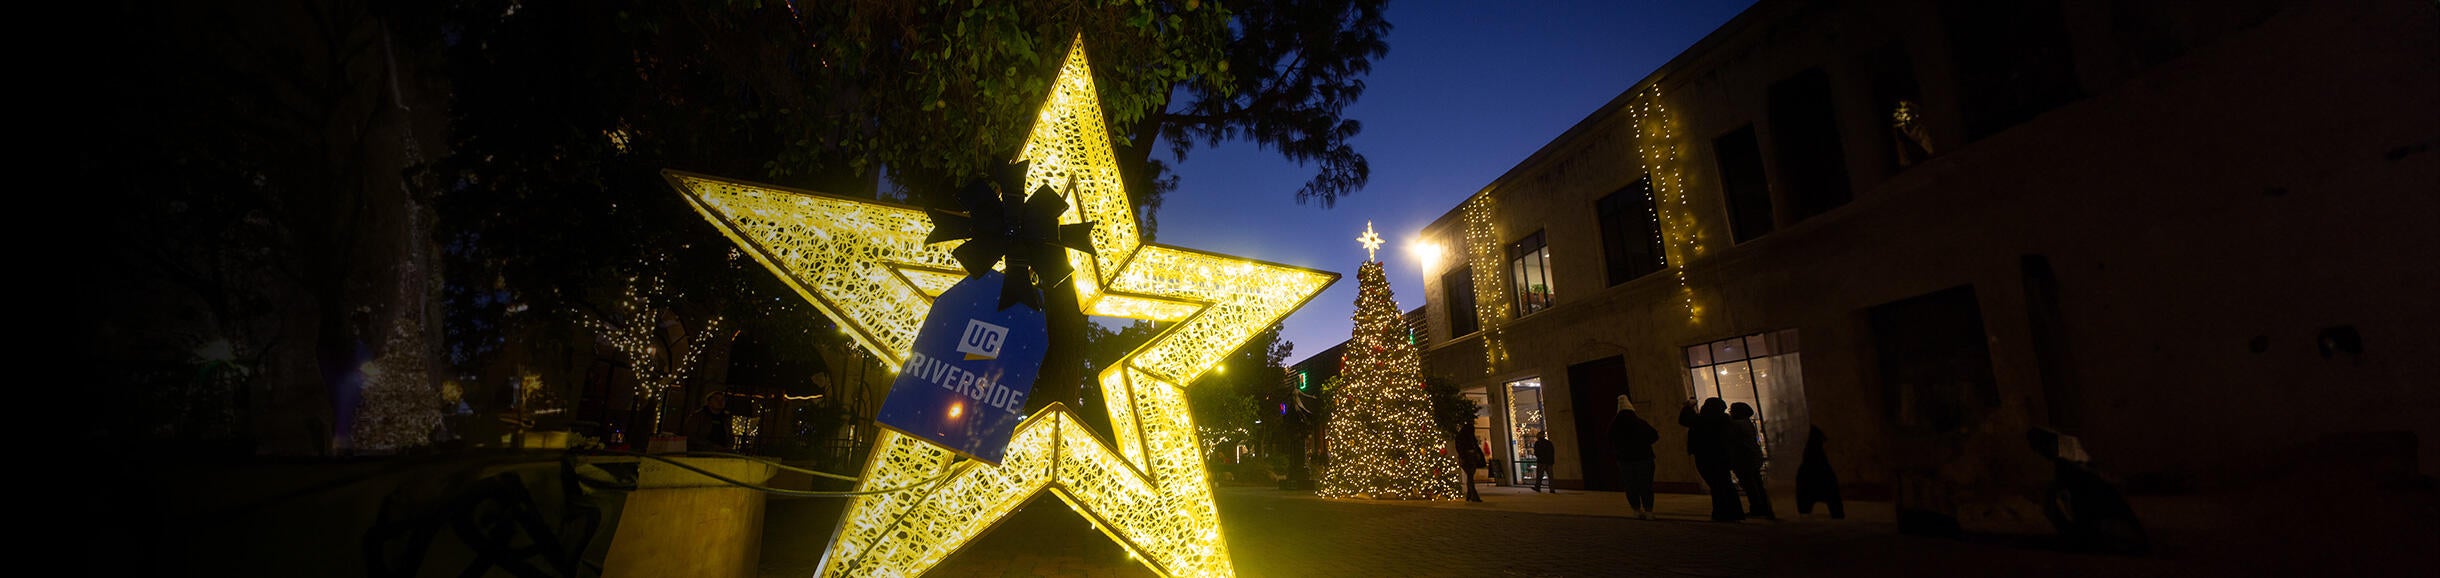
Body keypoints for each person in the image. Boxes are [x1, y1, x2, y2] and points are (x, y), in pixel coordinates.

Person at [1680, 397, 1741, 521]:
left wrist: (1688, 406)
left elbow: (1685, 420)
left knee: (1717, 485)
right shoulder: (1724, 420)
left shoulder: (1703, 420)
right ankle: (1731, 512)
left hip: (1705, 456)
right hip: (1722, 456)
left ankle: (1722, 512)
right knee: (1724, 484)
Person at [1608, 395, 1660, 520]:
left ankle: (1636, 509)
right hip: (1643, 458)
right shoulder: (1640, 423)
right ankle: (1649, 510)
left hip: (1625, 459)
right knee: (1646, 485)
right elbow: (1654, 436)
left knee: (1631, 485)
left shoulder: (1615, 425)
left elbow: (1610, 438)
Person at [1727, 403, 1776, 520]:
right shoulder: (1747, 423)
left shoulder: (1736, 424)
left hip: (1744, 458)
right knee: (1756, 483)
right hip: (1752, 456)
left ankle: (1757, 507)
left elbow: (1732, 440)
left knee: (1750, 485)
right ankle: (1763, 506)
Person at [1796, 425, 1845, 519]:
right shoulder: (1815, 452)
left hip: (1812, 479)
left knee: (1808, 496)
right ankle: (1837, 514)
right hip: (1819, 479)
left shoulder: (1810, 452)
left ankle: (1805, 511)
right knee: (1831, 495)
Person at [1455, 427, 1486, 502]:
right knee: (1470, 476)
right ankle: (1473, 495)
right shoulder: (1468, 438)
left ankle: (1470, 494)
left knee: (1470, 476)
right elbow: (1474, 446)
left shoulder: (1460, 437)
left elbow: (1459, 448)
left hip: (1466, 457)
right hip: (1469, 457)